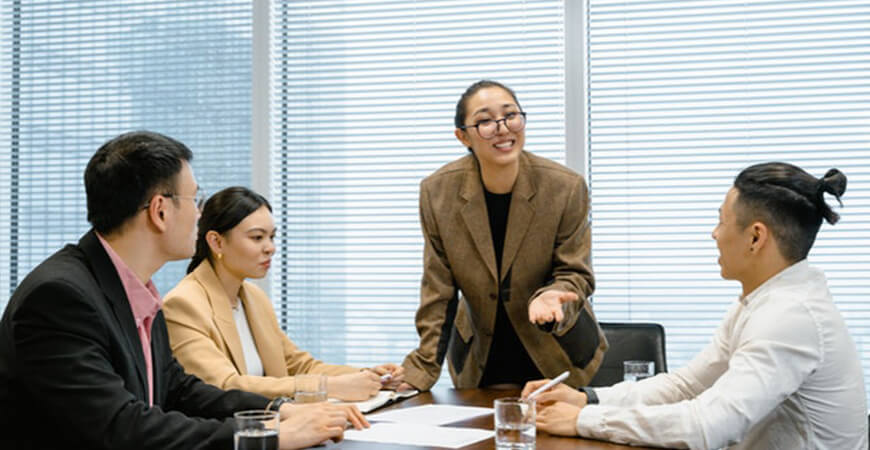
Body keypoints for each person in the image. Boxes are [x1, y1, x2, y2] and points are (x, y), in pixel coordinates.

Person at [0, 131, 367, 450]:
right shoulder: (60, 297)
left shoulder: (135, 287)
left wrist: (280, 410)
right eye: (195, 199)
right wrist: (266, 435)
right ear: (160, 211)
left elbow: (178, 389)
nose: (200, 213)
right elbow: (120, 426)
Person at [522, 162, 868, 449]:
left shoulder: (789, 317)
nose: (714, 233)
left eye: (721, 220)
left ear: (756, 237)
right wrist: (587, 399)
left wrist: (583, 420)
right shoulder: (763, 301)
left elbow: (707, 425)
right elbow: (688, 385)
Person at [400, 80, 608, 392]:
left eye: (510, 115)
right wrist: (420, 371)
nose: (502, 128)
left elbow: (575, 272)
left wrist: (553, 297)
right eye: (484, 121)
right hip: (480, 360)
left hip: (559, 356)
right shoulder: (437, 193)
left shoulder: (565, 188)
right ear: (462, 136)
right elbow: (437, 290)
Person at [163, 186, 405, 401]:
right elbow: (224, 386)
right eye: (257, 237)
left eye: (272, 236)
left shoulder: (253, 297)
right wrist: (329, 387)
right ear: (216, 242)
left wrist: (368, 376)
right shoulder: (183, 304)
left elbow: (299, 365)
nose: (270, 248)